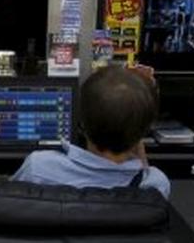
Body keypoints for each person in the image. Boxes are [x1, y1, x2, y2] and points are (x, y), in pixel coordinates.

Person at [12, 66, 170, 198]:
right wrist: (142, 157)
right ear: (144, 132)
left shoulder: (39, 167)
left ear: (81, 122)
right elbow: (147, 184)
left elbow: (9, 200)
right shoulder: (155, 185)